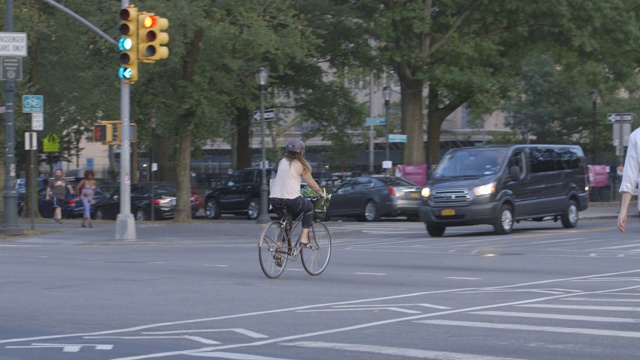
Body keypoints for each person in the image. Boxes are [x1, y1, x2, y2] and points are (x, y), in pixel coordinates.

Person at [269, 139, 326, 247]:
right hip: (291, 200)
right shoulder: (301, 165)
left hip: (274, 199)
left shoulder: (282, 162)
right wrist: (321, 193)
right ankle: (304, 238)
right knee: (309, 208)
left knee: (287, 223)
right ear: (301, 152)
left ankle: (278, 249)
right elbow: (312, 184)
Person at [618, 127, 640, 232]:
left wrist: (623, 210)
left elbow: (630, 176)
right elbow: (630, 176)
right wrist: (623, 209)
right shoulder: (636, 136)